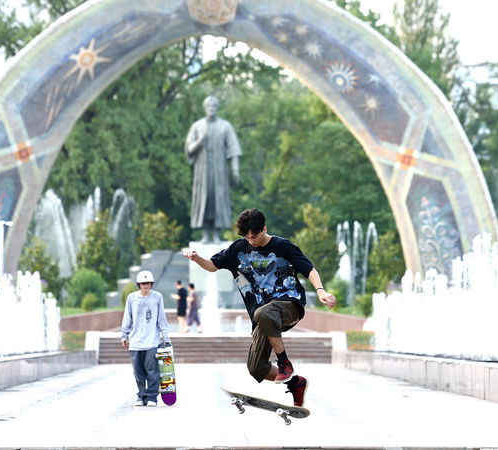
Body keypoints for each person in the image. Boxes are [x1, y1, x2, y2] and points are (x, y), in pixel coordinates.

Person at [182, 208, 336, 407]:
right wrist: (197, 259)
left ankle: (284, 363)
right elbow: (213, 265)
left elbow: (309, 269)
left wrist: (321, 291)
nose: (251, 241)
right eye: (246, 237)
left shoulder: (283, 246)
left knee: (264, 312)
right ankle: (296, 383)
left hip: (289, 304)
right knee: (256, 368)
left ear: (264, 229)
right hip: (263, 316)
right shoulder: (238, 248)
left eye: (254, 236)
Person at [184, 95, 242, 243]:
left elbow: (234, 149)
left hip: (219, 170)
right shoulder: (197, 126)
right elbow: (189, 148)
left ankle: (216, 235)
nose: (211, 109)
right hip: (201, 170)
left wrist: (235, 170)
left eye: (214, 106)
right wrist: (199, 141)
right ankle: (205, 234)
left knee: (218, 199)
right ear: (204, 108)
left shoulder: (225, 126)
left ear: (217, 108)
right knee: (204, 199)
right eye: (209, 106)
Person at [120, 270, 171, 407]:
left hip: (152, 341)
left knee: (152, 370)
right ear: (139, 284)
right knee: (138, 371)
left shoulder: (157, 297)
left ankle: (152, 397)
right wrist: (124, 335)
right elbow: (127, 317)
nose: (145, 285)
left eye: (148, 283)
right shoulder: (132, 298)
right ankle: (141, 396)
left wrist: (166, 337)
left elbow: (161, 318)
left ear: (151, 283)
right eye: (143, 283)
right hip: (135, 341)